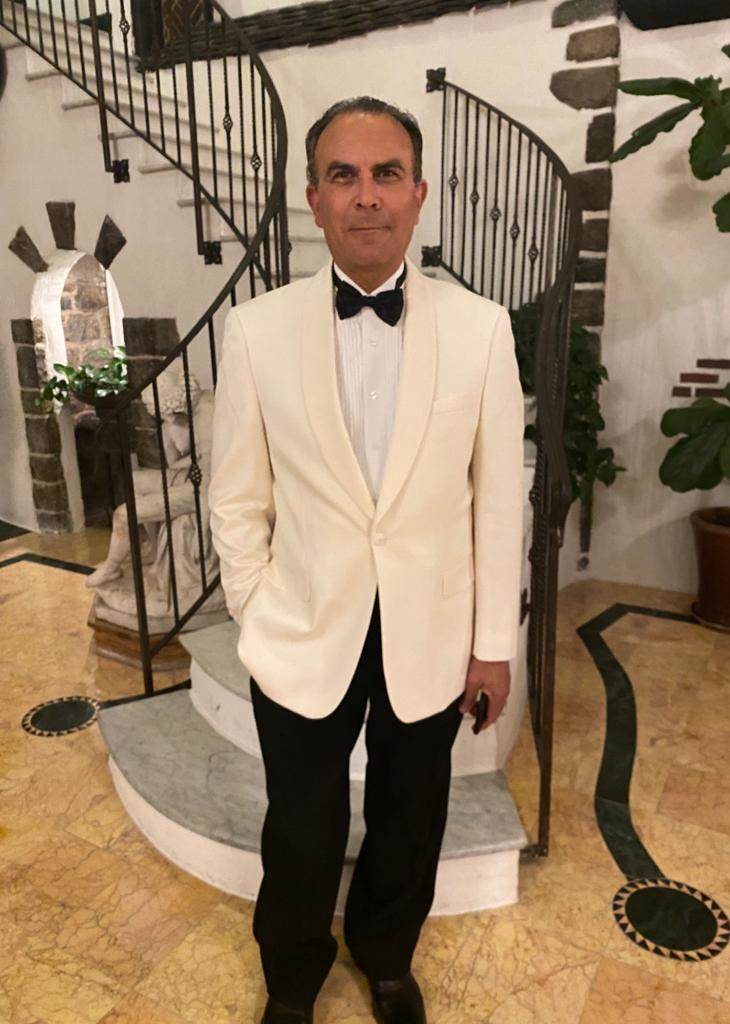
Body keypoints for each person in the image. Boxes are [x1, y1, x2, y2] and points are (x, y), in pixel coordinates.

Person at [208, 96, 525, 1024]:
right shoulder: (256, 329)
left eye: (388, 173)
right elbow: (236, 495)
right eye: (342, 176)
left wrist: (492, 644)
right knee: (301, 826)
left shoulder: (483, 328)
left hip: (432, 628)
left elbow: (498, 499)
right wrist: (255, 606)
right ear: (313, 200)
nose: (367, 195)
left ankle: (386, 956)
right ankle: (292, 978)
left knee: (409, 815)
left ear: (419, 194)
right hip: (303, 624)